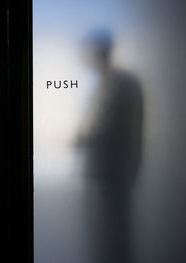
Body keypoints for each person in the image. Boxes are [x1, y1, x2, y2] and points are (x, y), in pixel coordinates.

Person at [77, 28, 144, 263]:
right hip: (112, 172)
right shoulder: (114, 81)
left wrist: (82, 139)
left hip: (112, 173)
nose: (85, 58)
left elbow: (106, 127)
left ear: (100, 52)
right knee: (110, 234)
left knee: (112, 236)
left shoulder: (118, 82)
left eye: (89, 53)